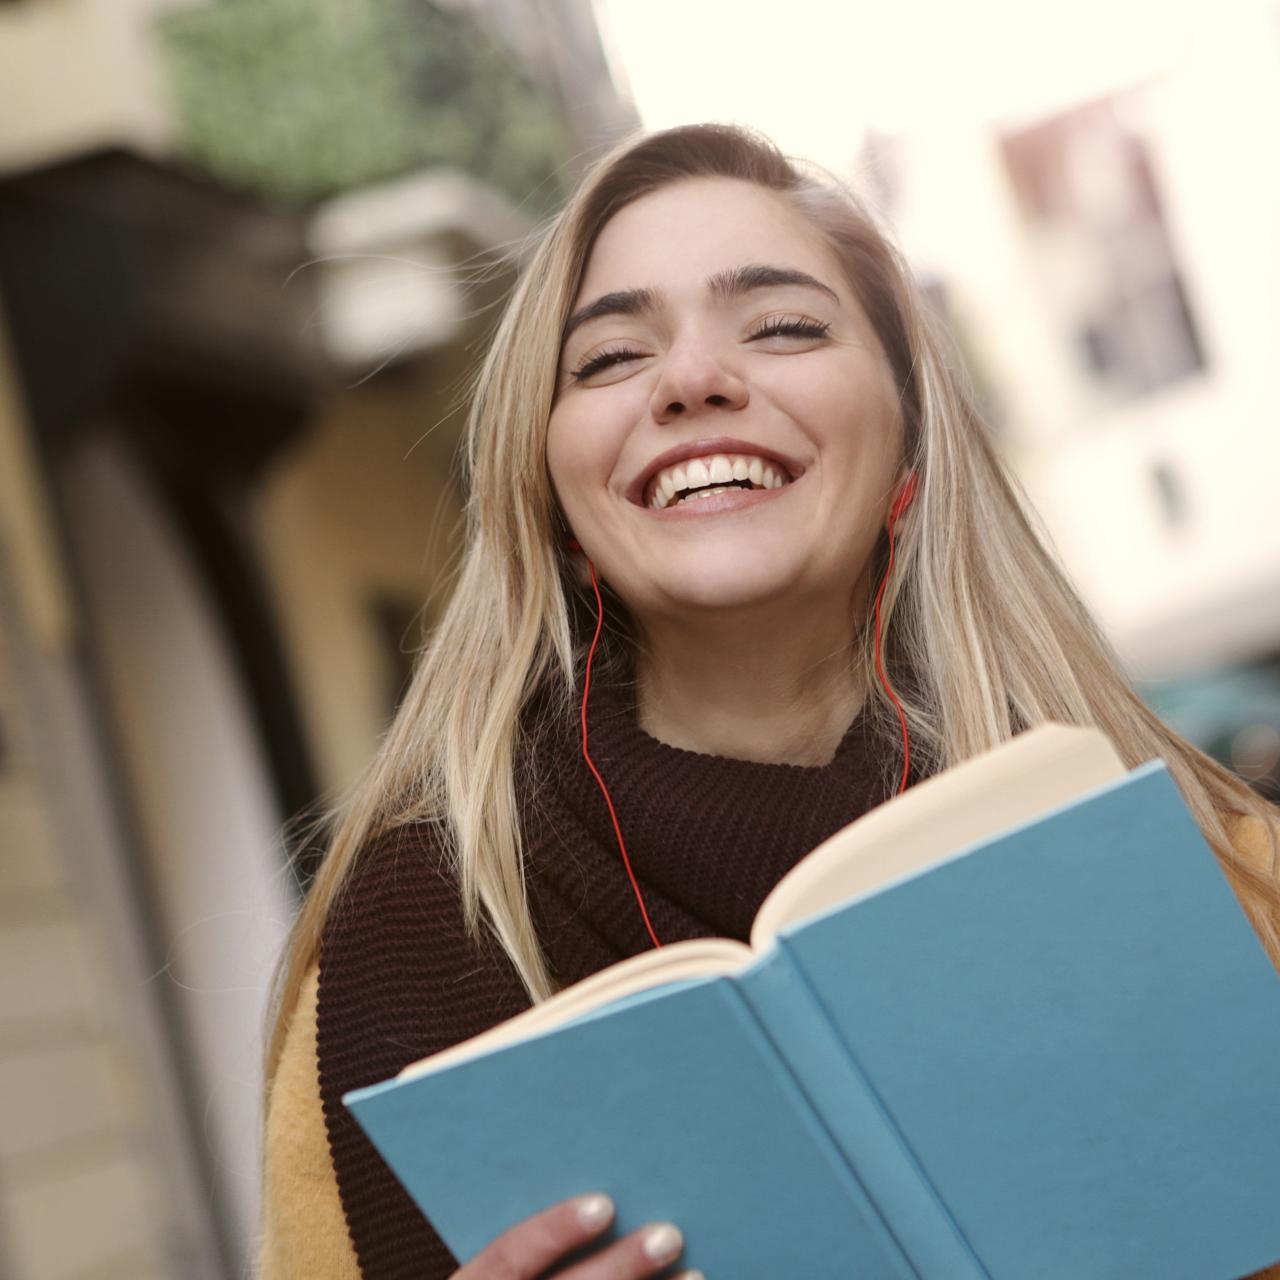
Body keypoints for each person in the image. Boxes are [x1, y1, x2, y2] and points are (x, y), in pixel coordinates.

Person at [258, 123, 1280, 1280]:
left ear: (910, 450)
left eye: (785, 326)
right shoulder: (401, 942)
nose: (692, 379)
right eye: (605, 359)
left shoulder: (1223, 877)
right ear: (556, 505)